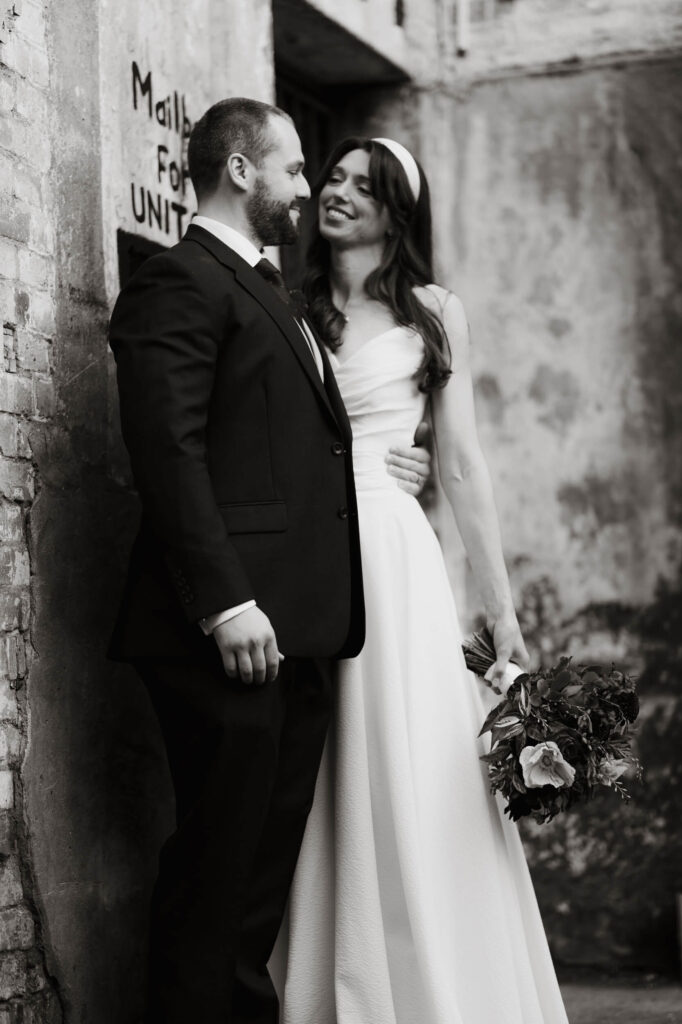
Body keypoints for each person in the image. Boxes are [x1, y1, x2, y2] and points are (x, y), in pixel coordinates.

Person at [107, 101, 430, 1024]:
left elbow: (299, 447)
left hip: (298, 632)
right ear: (242, 172)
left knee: (255, 882)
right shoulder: (180, 279)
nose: (306, 187)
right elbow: (168, 451)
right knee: (218, 872)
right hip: (229, 633)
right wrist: (224, 604)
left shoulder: (271, 288)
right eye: (294, 170)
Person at [271, 137, 570, 1024]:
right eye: (330, 178)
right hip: (309, 555)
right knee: (321, 769)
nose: (338, 194)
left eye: (364, 187)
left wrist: (500, 606)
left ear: (398, 211)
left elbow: (465, 462)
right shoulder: (287, 307)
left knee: (415, 763)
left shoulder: (435, 312)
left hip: (395, 559)